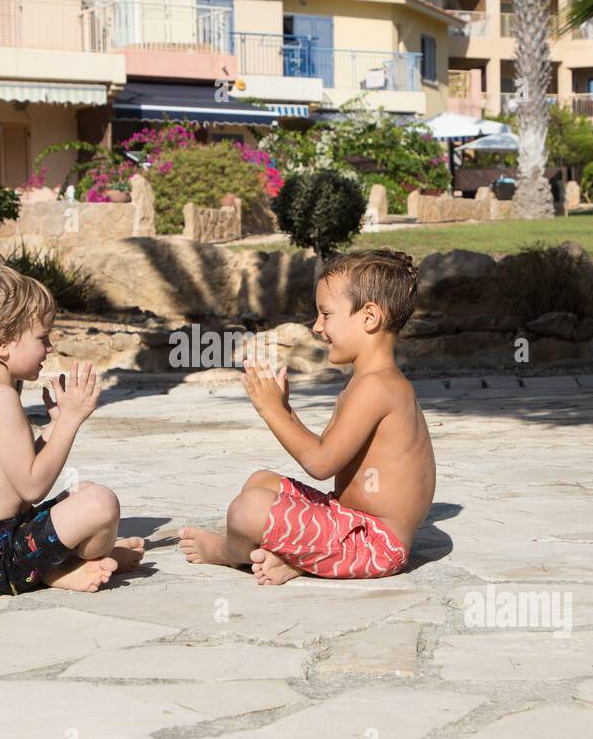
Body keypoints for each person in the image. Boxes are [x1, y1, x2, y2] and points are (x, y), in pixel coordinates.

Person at [179, 249, 436, 585]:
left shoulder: (377, 387)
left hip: (374, 543)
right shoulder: (370, 381)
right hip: (347, 522)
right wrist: (288, 412)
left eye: (326, 314)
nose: (317, 327)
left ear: (369, 317)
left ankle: (230, 553)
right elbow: (327, 448)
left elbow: (320, 463)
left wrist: (271, 411)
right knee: (261, 481)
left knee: (248, 510)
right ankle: (296, 560)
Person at [0, 264, 143, 595]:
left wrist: (52, 426)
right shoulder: (0, 397)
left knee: (84, 490)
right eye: (42, 338)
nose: (49, 349)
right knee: (100, 503)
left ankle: (53, 571)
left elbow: (14, 469)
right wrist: (71, 419)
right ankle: (63, 569)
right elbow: (32, 486)